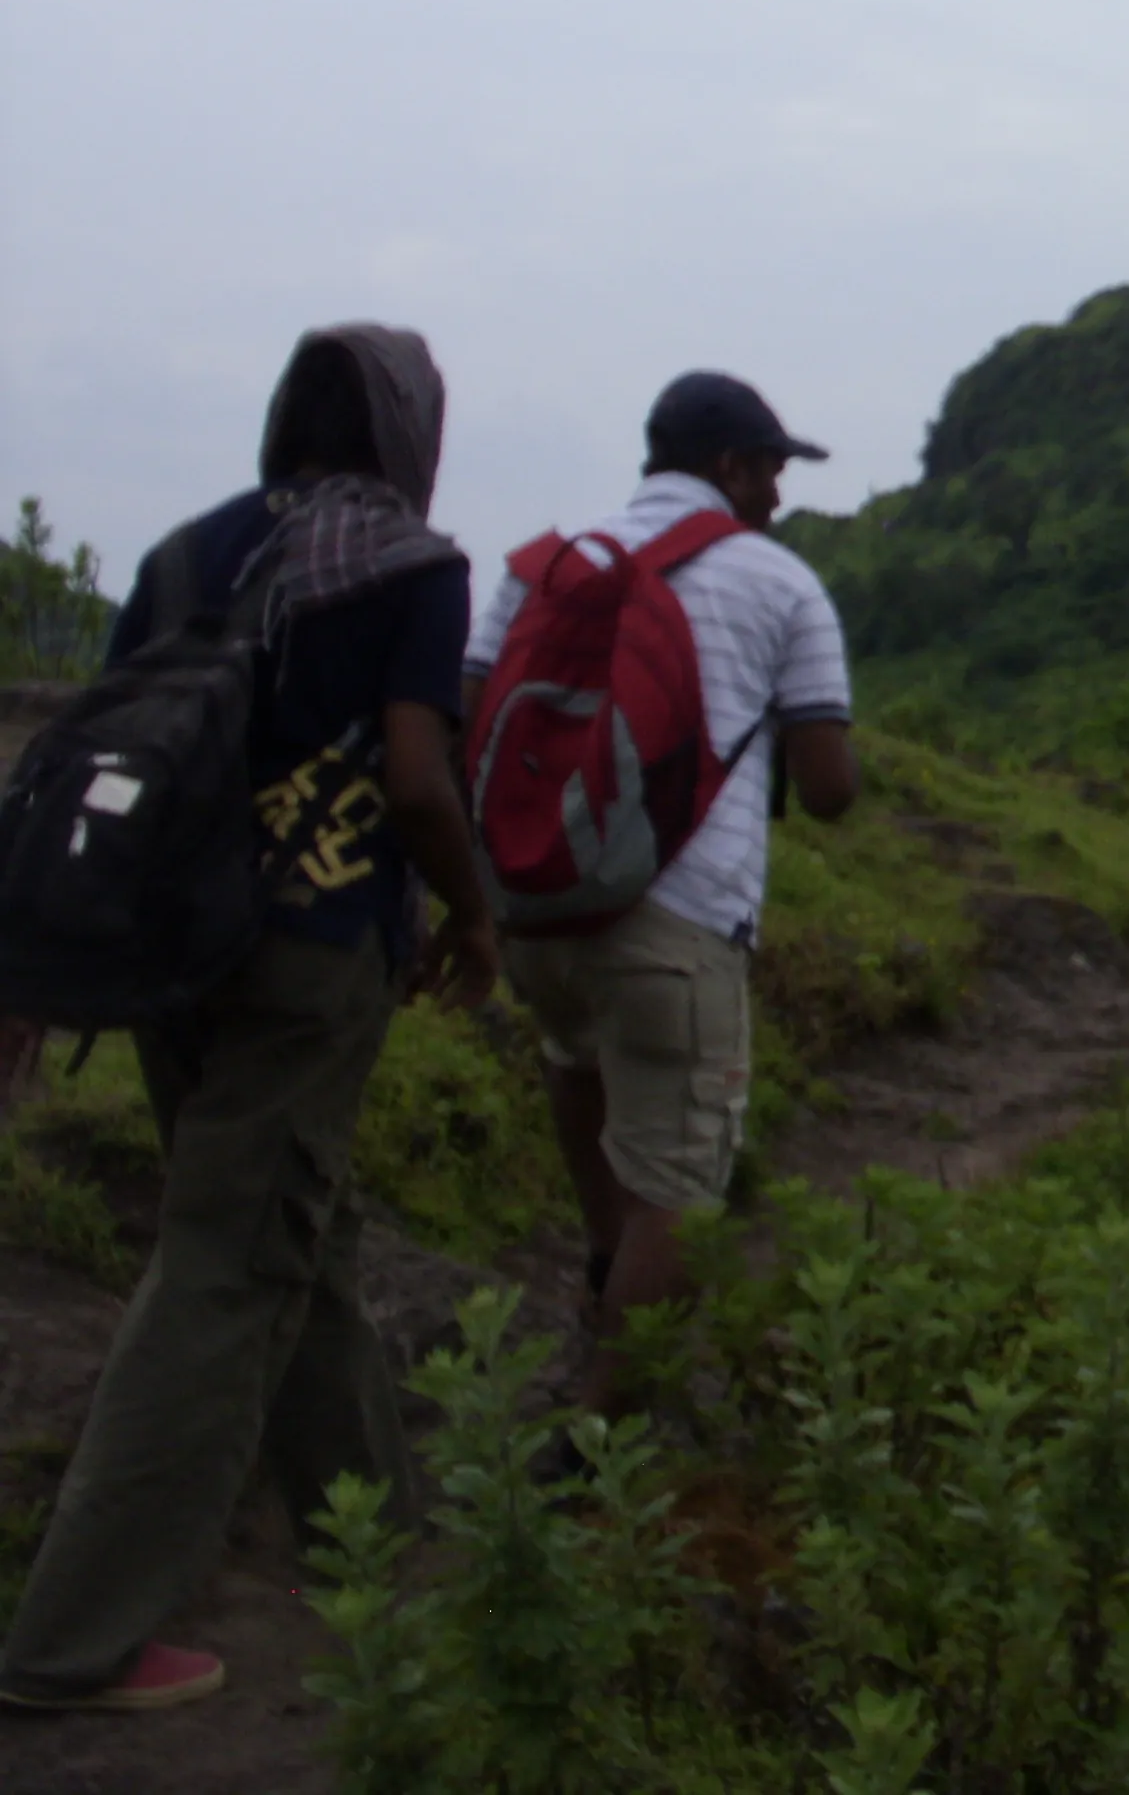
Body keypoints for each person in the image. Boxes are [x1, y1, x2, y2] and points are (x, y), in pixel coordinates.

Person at [0, 325, 498, 1717]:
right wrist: (472, 914)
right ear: (410, 433)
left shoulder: (180, 555)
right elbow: (414, 778)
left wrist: (33, 967)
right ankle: (73, 1640)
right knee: (227, 1260)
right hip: (309, 955)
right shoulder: (412, 566)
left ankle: (375, 1533)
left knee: (297, 1222)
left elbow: (97, 750)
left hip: (166, 952)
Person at [464, 372, 856, 1411]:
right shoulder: (780, 585)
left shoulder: (545, 568)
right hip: (681, 921)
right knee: (678, 1195)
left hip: (538, 907)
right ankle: (596, 1452)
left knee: (577, 1069)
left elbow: (469, 713)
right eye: (771, 467)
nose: (778, 492)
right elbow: (829, 792)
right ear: (727, 466)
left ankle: (603, 1294)